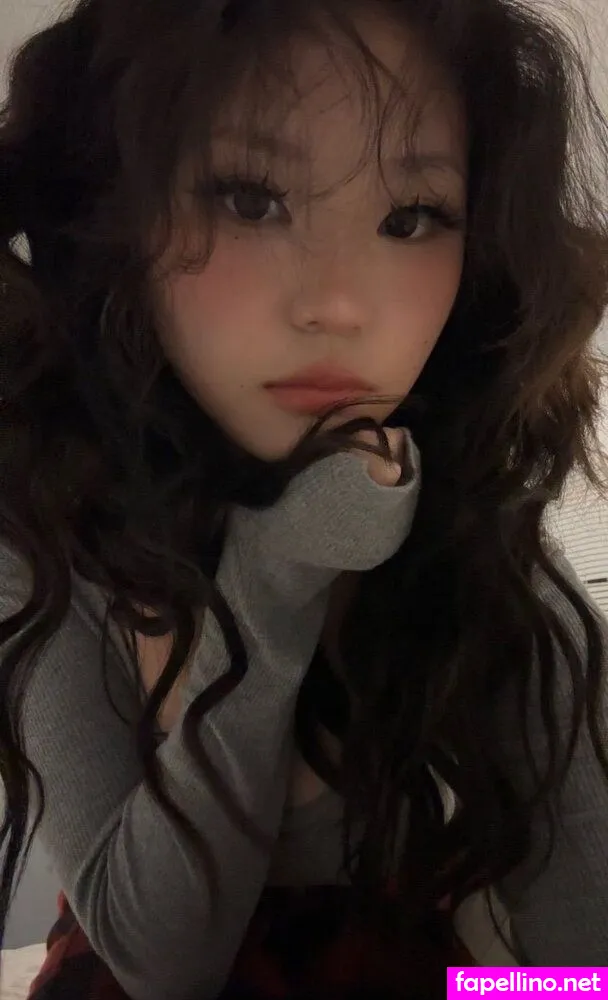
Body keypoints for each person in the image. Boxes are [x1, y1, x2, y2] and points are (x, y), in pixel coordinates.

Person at [0, 0, 607, 997]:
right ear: (113, 216)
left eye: (411, 218)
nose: (340, 303)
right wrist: (275, 576)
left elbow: (580, 971)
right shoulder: (50, 532)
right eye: (249, 199)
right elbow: (160, 960)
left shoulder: (484, 547)